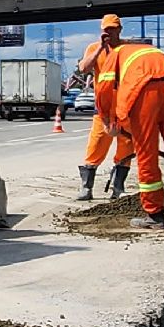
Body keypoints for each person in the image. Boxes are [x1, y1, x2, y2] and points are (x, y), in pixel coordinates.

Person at [108, 36, 164, 230]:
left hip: (146, 92)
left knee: (147, 157)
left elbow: (106, 88)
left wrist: (109, 119)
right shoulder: (154, 52)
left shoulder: (117, 54)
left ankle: (154, 216)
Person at [70, 14, 133, 200]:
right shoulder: (94, 48)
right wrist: (100, 49)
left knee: (126, 149)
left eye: (113, 29)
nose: (109, 33)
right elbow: (83, 68)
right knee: (95, 147)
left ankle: (118, 188)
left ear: (119, 29)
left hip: (125, 109)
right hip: (104, 111)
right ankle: (86, 188)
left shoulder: (127, 48)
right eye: (106, 30)